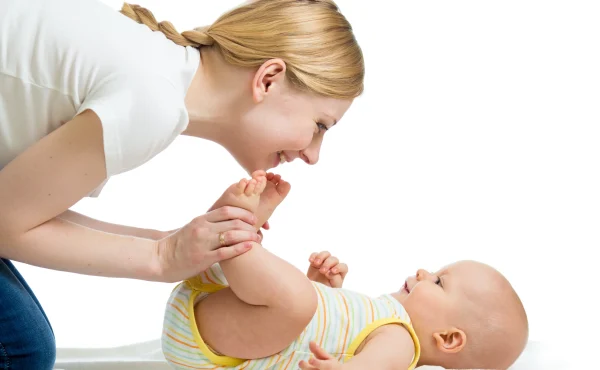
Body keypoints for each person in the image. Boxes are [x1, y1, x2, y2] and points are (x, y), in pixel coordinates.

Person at [0, 0, 364, 367]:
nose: (313, 155)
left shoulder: (156, 72)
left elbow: (19, 208)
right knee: (21, 347)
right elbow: (5, 224)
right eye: (319, 126)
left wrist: (167, 240)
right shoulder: (152, 103)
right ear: (267, 79)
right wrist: (161, 259)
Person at [162, 171, 529, 370]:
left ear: (448, 338)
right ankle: (236, 233)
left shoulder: (402, 344)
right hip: (225, 312)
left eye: (438, 281)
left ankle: (237, 233)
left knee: (297, 302)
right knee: (300, 300)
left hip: (213, 343)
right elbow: (303, 336)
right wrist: (324, 291)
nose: (423, 271)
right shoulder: (379, 319)